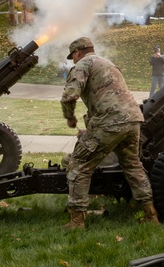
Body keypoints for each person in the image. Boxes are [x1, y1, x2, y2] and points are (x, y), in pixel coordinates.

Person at [61, 36, 158, 229]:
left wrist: (70, 118)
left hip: (111, 122)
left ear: (78, 52)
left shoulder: (82, 65)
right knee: (132, 165)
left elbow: (69, 96)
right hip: (133, 119)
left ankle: (77, 221)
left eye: (73, 57)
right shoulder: (108, 64)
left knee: (79, 164)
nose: (73, 61)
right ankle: (151, 215)